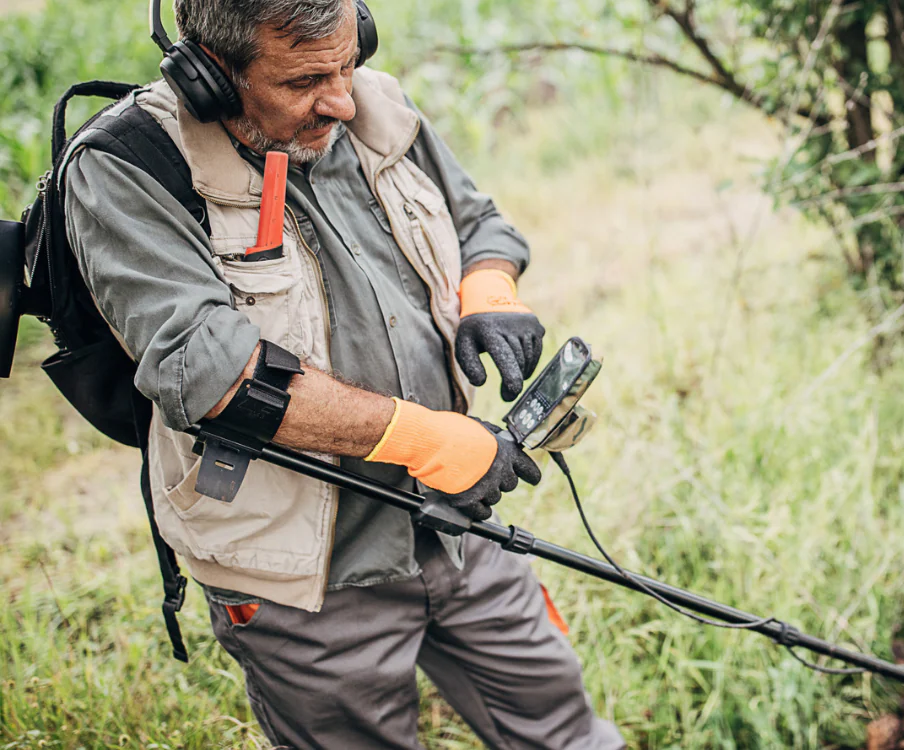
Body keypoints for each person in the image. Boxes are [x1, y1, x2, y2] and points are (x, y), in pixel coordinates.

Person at [61, 0, 625, 747]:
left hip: (460, 531)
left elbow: (479, 222)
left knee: (564, 727)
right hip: (299, 579)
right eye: (304, 81)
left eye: (347, 63)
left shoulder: (373, 104)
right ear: (211, 71)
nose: (342, 100)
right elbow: (212, 375)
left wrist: (491, 292)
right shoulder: (127, 166)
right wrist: (433, 444)